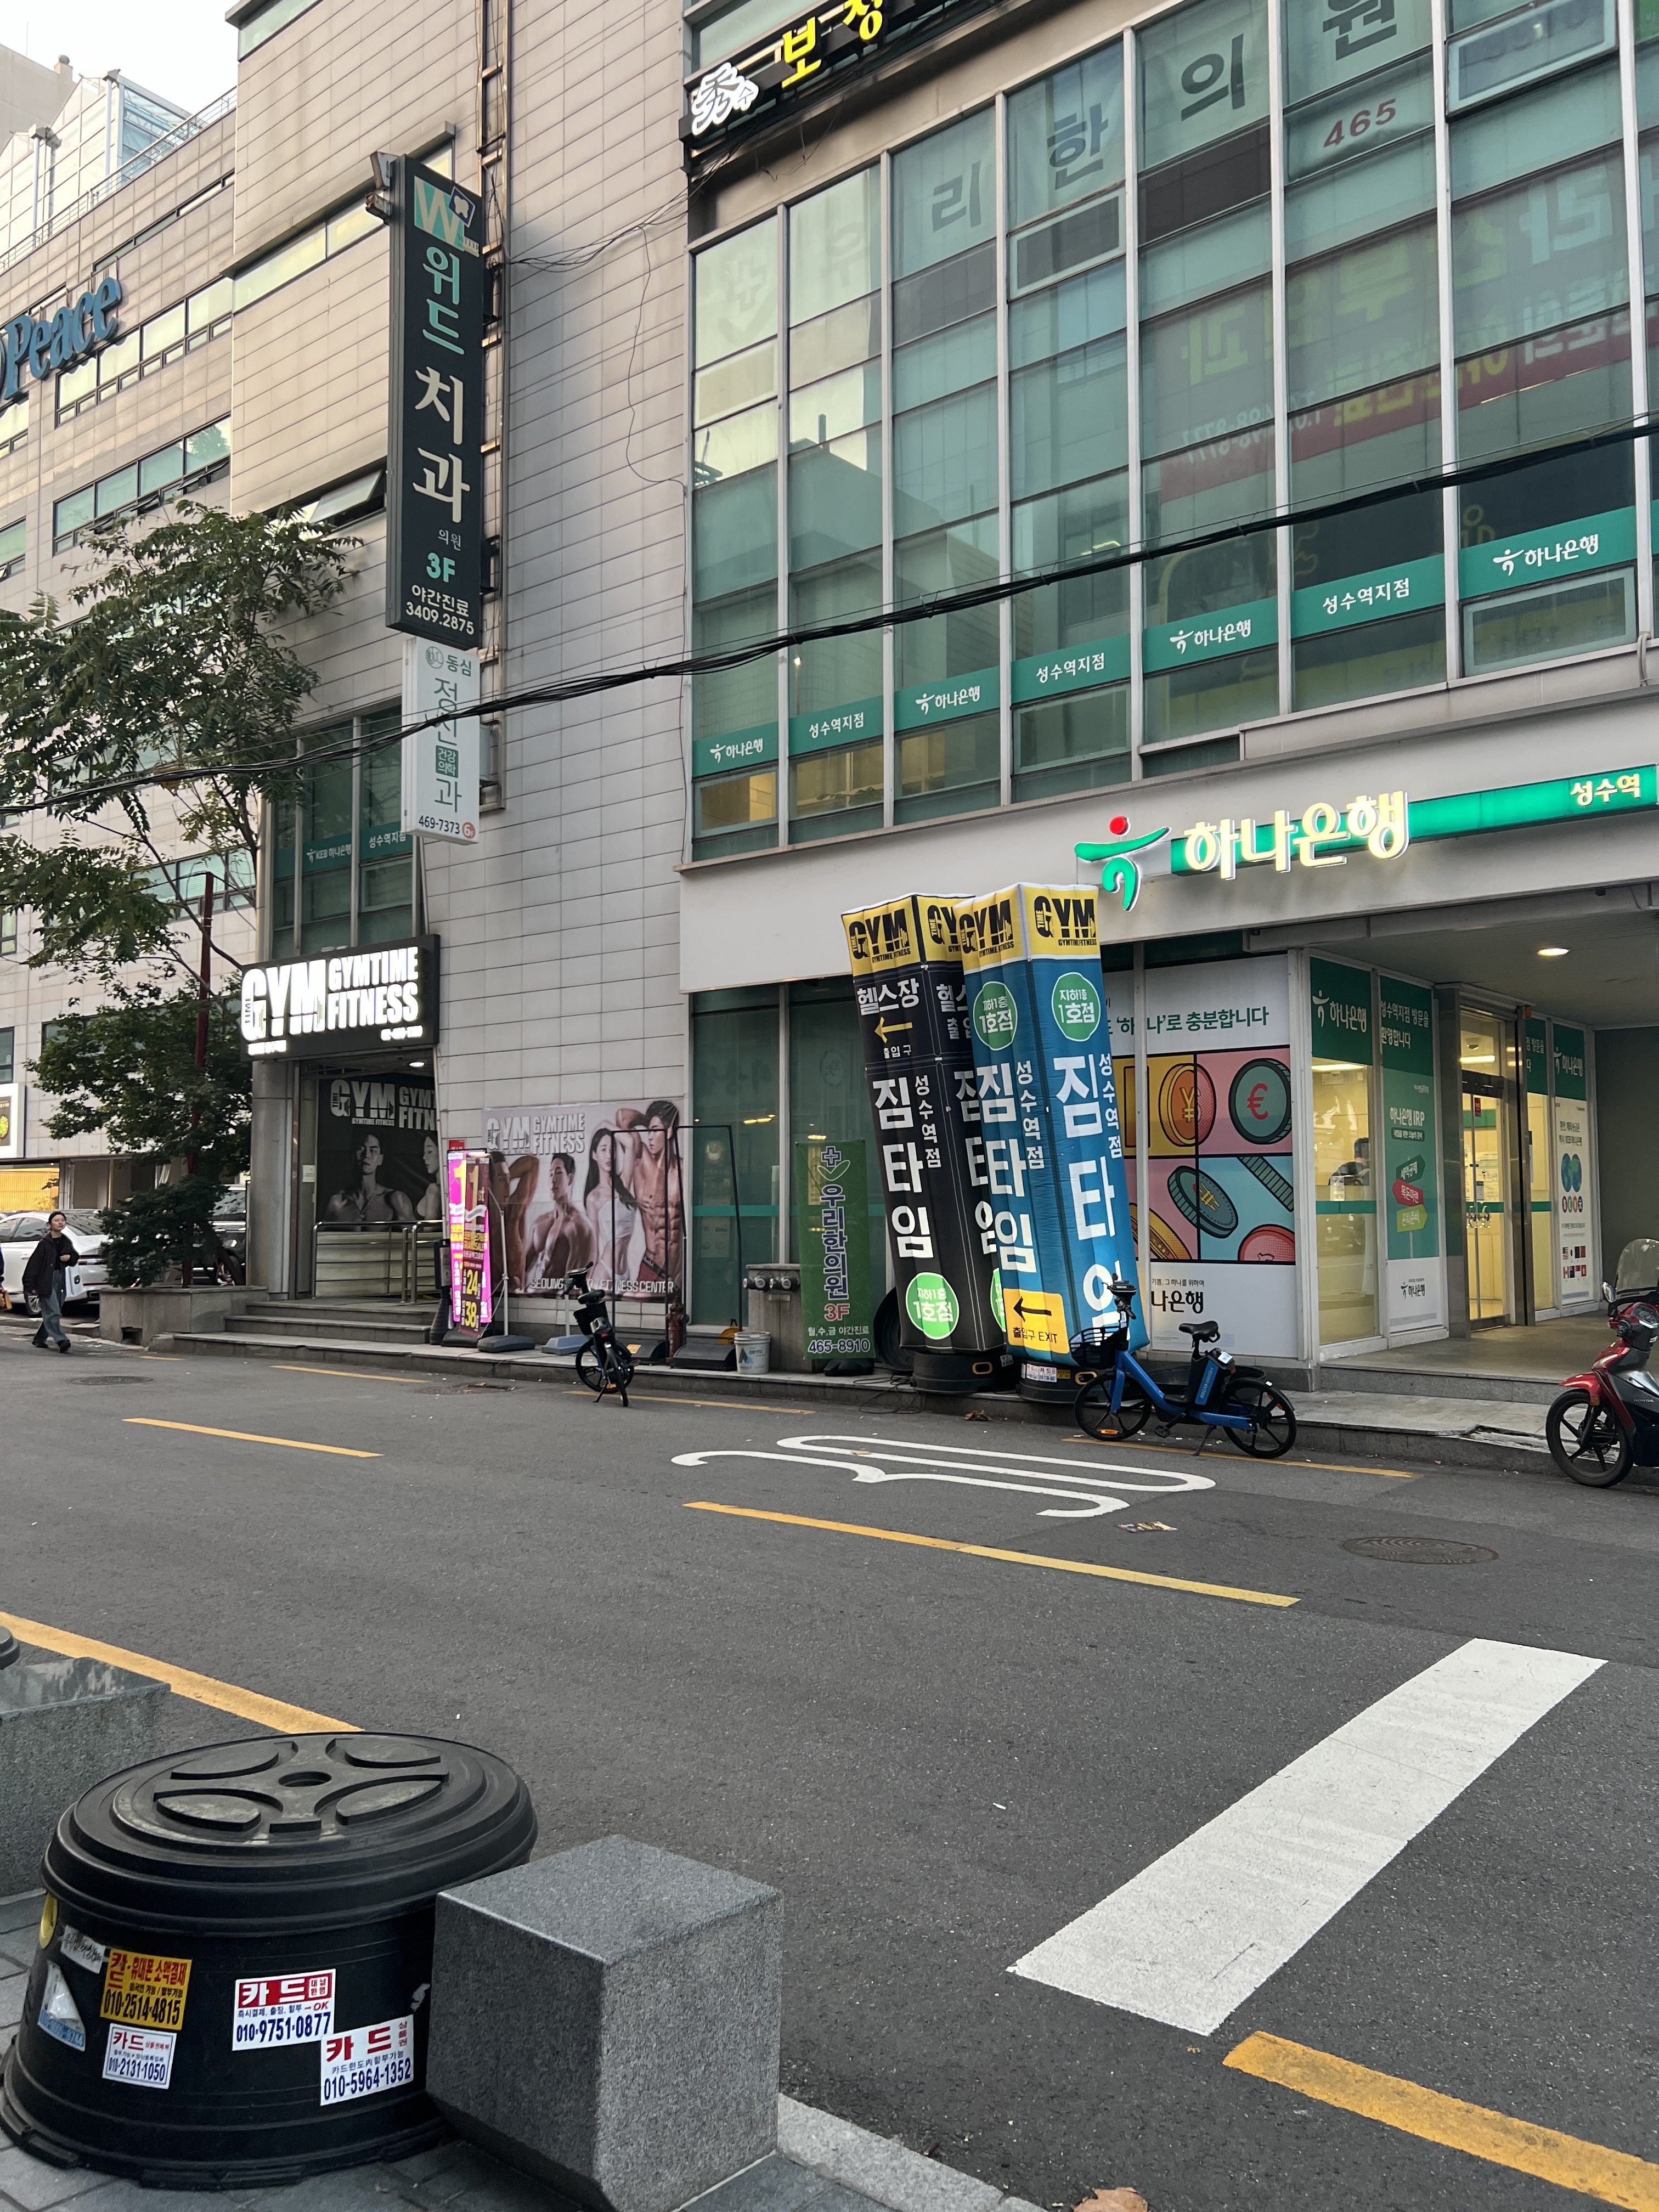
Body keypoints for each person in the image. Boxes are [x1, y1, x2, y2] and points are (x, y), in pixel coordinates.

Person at [633, 1100, 684, 1295]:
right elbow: (623, 1119)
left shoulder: (684, 1171)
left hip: (677, 1271)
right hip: (652, 1267)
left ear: (669, 1132)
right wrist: (648, 1120)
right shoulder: (642, 1168)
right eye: (648, 1131)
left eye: (655, 1131)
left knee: (678, 1313)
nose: (650, 1137)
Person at [523, 1153, 596, 1285]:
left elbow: (577, 1282)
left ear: (570, 1179)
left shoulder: (579, 1226)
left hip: (558, 1297)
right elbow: (522, 1269)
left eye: (558, 1173)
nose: (553, 1180)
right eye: (551, 1174)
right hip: (533, 1293)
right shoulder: (540, 1223)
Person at [584, 1125, 639, 1290]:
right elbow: (594, 1246)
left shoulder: (623, 1184)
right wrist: (588, 1279)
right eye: (603, 1149)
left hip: (625, 1272)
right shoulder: (594, 1198)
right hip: (605, 1271)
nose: (609, 1155)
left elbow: (630, 1143)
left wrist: (606, 1124)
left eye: (612, 1150)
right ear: (594, 1155)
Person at [323, 1133, 416, 1223]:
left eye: (373, 1150)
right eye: (360, 1149)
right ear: (352, 1156)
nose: (367, 1155)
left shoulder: (396, 1199)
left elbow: (412, 1232)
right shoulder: (335, 1202)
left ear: (380, 1159)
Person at [25, 1210, 78, 1353]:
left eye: (63, 1220)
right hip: (45, 1280)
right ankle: (62, 1340)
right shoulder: (45, 1243)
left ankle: (40, 1339)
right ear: (50, 1224)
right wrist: (30, 1285)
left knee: (54, 1310)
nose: (60, 1223)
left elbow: (74, 1257)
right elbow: (34, 1264)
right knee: (53, 1311)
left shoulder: (66, 1241)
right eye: (56, 1220)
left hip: (60, 1278)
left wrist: (70, 1258)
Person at [415, 1133, 444, 1221]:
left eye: (430, 1151)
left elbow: (430, 1227)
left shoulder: (434, 1190)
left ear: (442, 1152)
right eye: (424, 1153)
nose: (425, 1157)